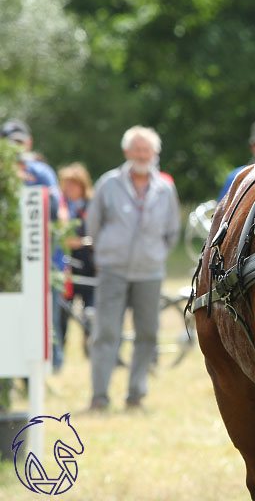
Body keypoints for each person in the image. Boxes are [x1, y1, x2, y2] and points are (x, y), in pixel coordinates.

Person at [86, 126, 180, 410]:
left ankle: (136, 394)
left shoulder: (165, 188)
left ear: (154, 154)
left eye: (147, 150)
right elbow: (93, 222)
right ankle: (99, 396)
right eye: (137, 149)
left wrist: (157, 253)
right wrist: (105, 252)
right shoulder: (108, 183)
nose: (142, 155)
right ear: (126, 151)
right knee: (106, 333)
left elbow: (172, 230)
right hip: (113, 269)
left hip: (150, 272)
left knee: (148, 333)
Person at [3, 119, 69, 370]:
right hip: (8, 262)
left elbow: (57, 212)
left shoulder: (41, 172)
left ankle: (51, 367)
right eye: (11, 143)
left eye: (20, 142)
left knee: (46, 317)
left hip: (42, 259)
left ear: (29, 143)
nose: (16, 148)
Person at [58, 163, 97, 354]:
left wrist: (82, 241)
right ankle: (61, 350)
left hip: (90, 263)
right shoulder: (60, 205)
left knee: (91, 311)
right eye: (66, 184)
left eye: (74, 184)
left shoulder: (93, 204)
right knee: (64, 312)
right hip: (66, 265)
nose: (70, 188)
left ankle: (89, 347)